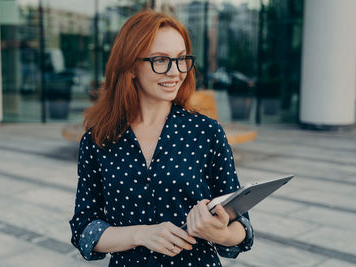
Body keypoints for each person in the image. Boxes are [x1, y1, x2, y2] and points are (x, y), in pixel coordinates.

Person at [69, 10, 254, 267]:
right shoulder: (98, 140)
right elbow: (84, 229)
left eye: (181, 59)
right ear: (131, 66)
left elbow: (242, 226)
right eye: (160, 60)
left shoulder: (207, 132)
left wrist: (220, 233)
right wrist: (141, 234)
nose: (175, 72)